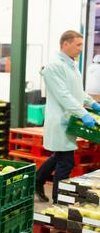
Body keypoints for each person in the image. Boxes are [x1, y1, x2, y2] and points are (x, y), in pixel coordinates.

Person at [35, 30, 100, 203]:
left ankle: (36, 181)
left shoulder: (71, 64)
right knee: (66, 162)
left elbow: (76, 92)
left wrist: (92, 103)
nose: (80, 49)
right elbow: (64, 95)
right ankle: (59, 202)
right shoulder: (54, 66)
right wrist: (84, 113)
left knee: (59, 156)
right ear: (65, 44)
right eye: (78, 45)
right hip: (60, 120)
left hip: (69, 119)